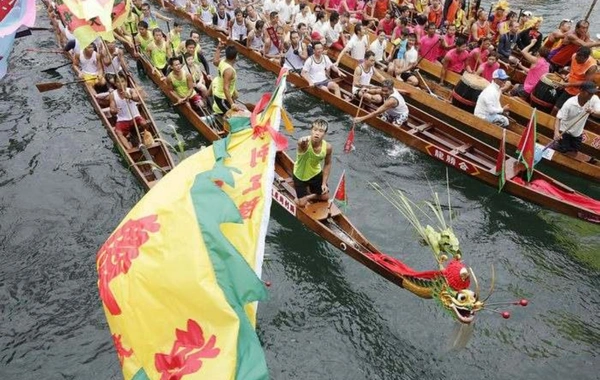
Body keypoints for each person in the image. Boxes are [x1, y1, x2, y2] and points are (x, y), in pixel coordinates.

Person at [553, 82, 600, 160]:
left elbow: (599, 112)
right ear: (581, 90)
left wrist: (594, 111)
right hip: (564, 131)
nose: (591, 95)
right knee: (563, 151)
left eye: (593, 93)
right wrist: (556, 132)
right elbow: (558, 118)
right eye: (589, 93)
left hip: (577, 133)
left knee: (573, 153)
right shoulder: (570, 103)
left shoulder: (594, 99)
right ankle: (556, 146)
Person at [293, 119, 333, 207]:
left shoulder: (328, 147)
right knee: (301, 203)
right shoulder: (304, 143)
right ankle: (303, 198)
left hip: (315, 173)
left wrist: (324, 183)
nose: (317, 133)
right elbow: (300, 142)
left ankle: (307, 197)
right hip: (300, 175)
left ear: (324, 134)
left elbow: (327, 164)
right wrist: (302, 142)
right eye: (315, 130)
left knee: (325, 196)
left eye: (321, 131)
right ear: (311, 131)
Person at [110, 72, 146, 150]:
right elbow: (111, 110)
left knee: (144, 123)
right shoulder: (113, 94)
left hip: (135, 117)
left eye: (122, 81)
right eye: (118, 82)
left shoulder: (131, 90)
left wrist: (129, 97)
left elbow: (137, 98)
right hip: (123, 120)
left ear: (126, 82)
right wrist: (115, 110)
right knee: (118, 133)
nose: (121, 84)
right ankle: (129, 149)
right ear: (115, 84)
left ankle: (142, 136)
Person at [554, 46, 598, 110]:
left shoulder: (592, 67)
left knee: (561, 109)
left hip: (578, 92)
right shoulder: (574, 56)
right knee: (556, 108)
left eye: (579, 60)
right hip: (568, 87)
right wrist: (568, 76)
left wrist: (569, 84)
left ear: (586, 58)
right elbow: (573, 69)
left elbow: (587, 83)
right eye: (576, 58)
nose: (577, 60)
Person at [212, 41, 240, 114]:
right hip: (222, 98)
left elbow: (215, 61)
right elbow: (225, 88)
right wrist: (232, 104)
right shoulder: (229, 71)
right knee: (232, 115)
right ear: (236, 57)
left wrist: (218, 49)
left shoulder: (222, 61)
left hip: (221, 95)